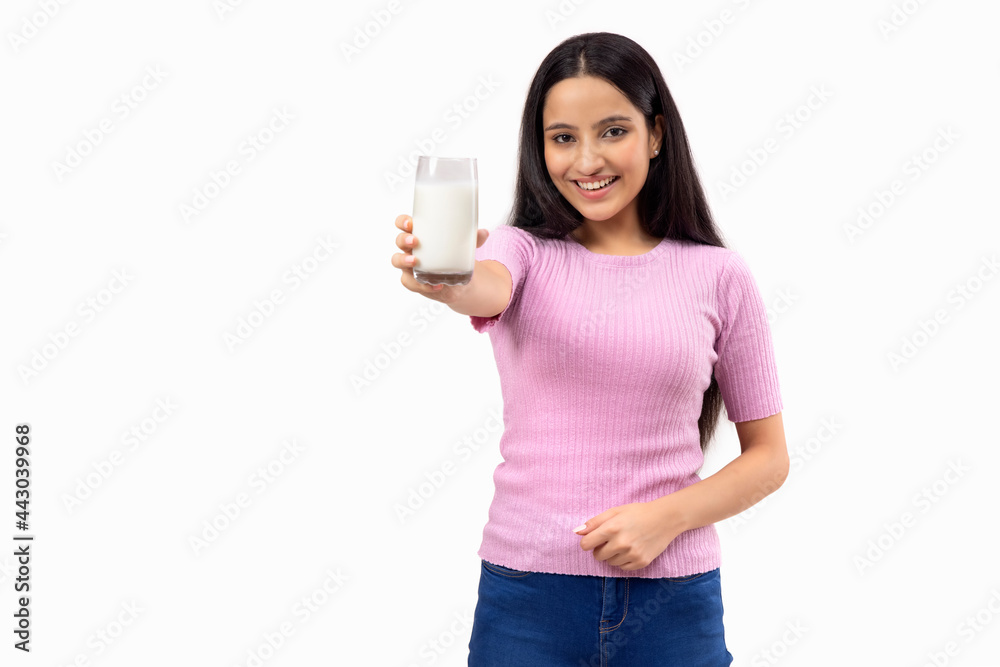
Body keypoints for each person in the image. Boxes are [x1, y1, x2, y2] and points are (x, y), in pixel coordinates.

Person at [390, 31, 787, 667]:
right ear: (539, 146)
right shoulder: (521, 251)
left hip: (673, 602)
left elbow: (769, 458)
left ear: (656, 134)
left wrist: (665, 520)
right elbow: (484, 287)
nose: (586, 161)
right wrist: (450, 275)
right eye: (563, 137)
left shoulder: (720, 276)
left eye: (611, 131)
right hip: (526, 600)